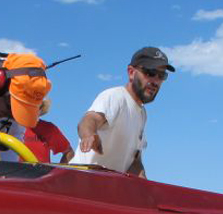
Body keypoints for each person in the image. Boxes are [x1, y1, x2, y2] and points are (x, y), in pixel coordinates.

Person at [74, 47, 173, 177]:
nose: (155, 81)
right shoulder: (116, 97)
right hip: (81, 182)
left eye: (161, 75)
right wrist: (88, 135)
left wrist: (147, 191)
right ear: (131, 72)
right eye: (150, 72)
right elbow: (89, 119)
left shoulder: (142, 114)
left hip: (108, 189)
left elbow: (135, 161)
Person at [23, 98, 73, 163]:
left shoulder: (48, 128)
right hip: (8, 172)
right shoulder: (9, 124)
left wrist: (57, 172)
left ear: (41, 109)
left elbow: (69, 152)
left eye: (37, 105)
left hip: (41, 173)